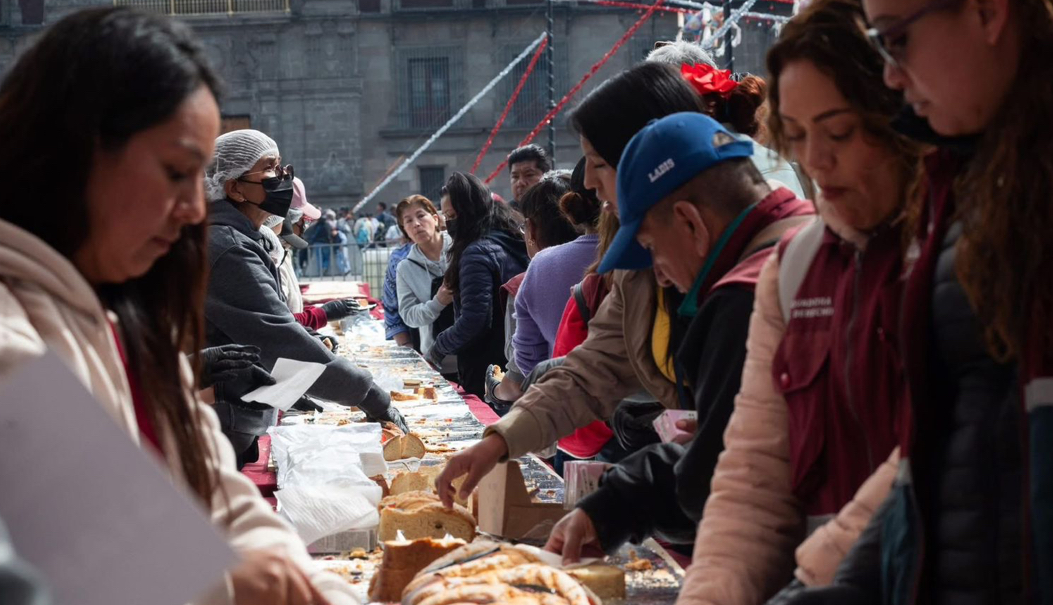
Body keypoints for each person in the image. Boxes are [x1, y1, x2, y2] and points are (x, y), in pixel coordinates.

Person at [0, 7, 356, 604]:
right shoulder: (12, 340)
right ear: (74, 155)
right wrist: (230, 581)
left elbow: (213, 485)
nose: (195, 208)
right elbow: (93, 554)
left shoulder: (117, 310)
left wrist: (301, 580)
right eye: (175, 172)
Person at [434, 62, 801, 511]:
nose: (587, 181)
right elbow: (595, 366)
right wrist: (502, 440)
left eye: (599, 163)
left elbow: (756, 462)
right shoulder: (649, 254)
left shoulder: (776, 277)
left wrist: (615, 510)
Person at [782, 0, 1053, 601]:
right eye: (795, 136)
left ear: (988, 13)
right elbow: (944, 460)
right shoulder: (969, 183)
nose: (891, 76)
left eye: (896, 40)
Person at [672, 1, 925, 601]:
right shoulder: (794, 269)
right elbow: (752, 479)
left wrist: (814, 578)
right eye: (797, 135)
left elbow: (934, 453)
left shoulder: (962, 252)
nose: (815, 159)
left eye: (837, 132)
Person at [542, 111, 814, 563]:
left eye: (652, 249)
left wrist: (620, 502)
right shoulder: (806, 241)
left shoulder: (742, 300)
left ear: (690, 222)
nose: (661, 276)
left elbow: (723, 476)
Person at [203, 129, 407, 449]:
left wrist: (296, 386)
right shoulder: (229, 248)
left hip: (240, 407)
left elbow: (272, 323)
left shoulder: (244, 238)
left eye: (281, 165)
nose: (283, 176)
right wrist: (369, 395)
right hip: (223, 419)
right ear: (235, 188)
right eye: (270, 168)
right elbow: (280, 338)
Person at [425, 172, 528, 397]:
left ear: (469, 212)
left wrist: (438, 348)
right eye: (446, 216)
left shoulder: (476, 252)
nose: (448, 224)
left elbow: (474, 320)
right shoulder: (512, 237)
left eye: (452, 216)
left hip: (488, 369)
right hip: (517, 362)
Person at [395, 195, 457, 376]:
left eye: (421, 215)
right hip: (438, 360)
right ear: (405, 230)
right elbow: (408, 315)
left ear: (435, 218)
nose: (416, 224)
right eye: (408, 221)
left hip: (475, 352)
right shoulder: (405, 268)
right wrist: (438, 302)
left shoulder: (460, 248)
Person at [382, 238, 415, 347]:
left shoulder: (453, 249)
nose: (416, 228)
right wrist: (406, 344)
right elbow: (391, 306)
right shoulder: (399, 258)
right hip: (416, 338)